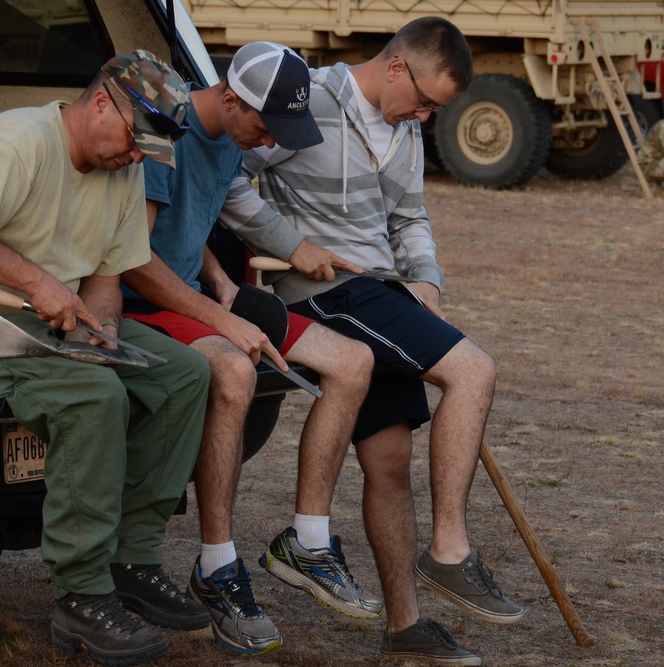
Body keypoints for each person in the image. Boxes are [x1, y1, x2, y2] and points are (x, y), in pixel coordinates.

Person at [0, 50, 211, 667]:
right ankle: (82, 599)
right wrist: (37, 282)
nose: (136, 155)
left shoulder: (124, 167)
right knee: (90, 395)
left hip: (39, 315)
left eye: (148, 148)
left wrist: (103, 335)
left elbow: (106, 277)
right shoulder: (19, 138)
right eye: (134, 139)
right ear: (98, 104)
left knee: (184, 375)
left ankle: (131, 563)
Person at [220, 17, 523, 666]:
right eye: (425, 101)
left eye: (435, 109)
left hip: (383, 295)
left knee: (389, 463)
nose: (424, 115)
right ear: (395, 67)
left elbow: (410, 216)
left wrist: (428, 283)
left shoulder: (405, 129)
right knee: (474, 371)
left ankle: (405, 625)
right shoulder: (312, 103)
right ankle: (449, 550)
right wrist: (288, 243)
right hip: (329, 294)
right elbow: (227, 172)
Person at [119, 42, 379, 656]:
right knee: (235, 370)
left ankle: (308, 542)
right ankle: (216, 565)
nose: (268, 142)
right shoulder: (168, 133)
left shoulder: (228, 139)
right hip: (146, 306)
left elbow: (184, 223)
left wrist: (220, 278)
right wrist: (217, 315)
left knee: (353, 362)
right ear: (230, 99)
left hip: (192, 295)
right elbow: (131, 258)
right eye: (264, 125)